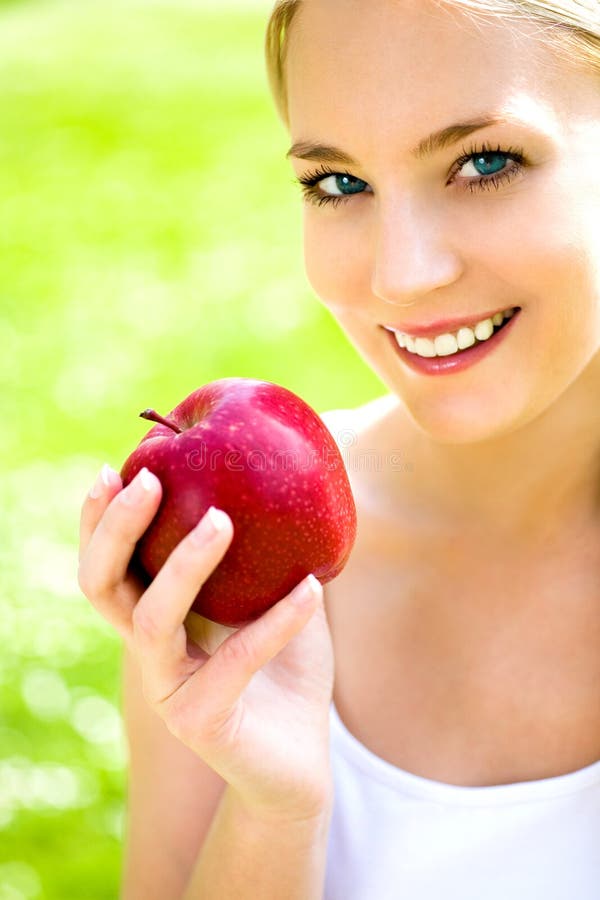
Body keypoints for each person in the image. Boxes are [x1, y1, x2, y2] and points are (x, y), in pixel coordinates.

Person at [77, 0, 600, 897]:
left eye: (485, 162)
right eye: (339, 184)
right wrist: (274, 813)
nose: (403, 275)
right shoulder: (229, 569)